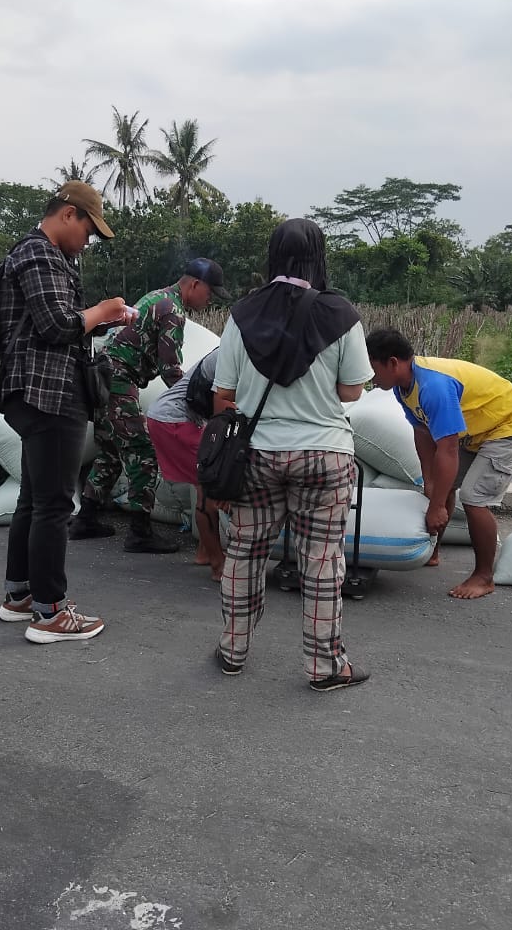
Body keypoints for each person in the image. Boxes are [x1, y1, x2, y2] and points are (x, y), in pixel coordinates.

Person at [212, 219, 372, 692]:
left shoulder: (241, 314)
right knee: (322, 562)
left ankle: (232, 650)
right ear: (319, 255)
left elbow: (225, 391)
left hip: (257, 455)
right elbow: (352, 391)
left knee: (244, 553)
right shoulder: (341, 314)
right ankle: (325, 667)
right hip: (325, 455)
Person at [0, 182, 135, 644]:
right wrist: (103, 309)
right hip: (48, 392)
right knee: (54, 505)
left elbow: (53, 320)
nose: (89, 241)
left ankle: (19, 596)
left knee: (34, 500)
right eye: (89, 230)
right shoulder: (39, 254)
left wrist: (98, 317)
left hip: (37, 392)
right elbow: (57, 326)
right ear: (69, 215)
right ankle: (50, 613)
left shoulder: (41, 254)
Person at [365, 328, 512, 600]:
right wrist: (429, 480)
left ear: (392, 363)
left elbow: (447, 450)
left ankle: (484, 577)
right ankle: (433, 552)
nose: (370, 377)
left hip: (510, 427)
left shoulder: (433, 387)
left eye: (372, 368)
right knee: (441, 486)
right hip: (477, 431)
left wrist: (436, 507)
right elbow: (422, 433)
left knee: (473, 498)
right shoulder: (403, 387)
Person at [69, 257, 222, 553]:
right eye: (209, 292)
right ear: (194, 284)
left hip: (104, 380)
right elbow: (171, 371)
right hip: (117, 382)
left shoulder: (157, 297)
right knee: (143, 452)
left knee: (111, 451)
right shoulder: (172, 310)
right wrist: (194, 406)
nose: (209, 299)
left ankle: (85, 518)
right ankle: (139, 532)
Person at [145, 347, 226, 580]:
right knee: (208, 487)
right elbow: (225, 409)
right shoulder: (235, 352)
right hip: (175, 420)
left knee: (202, 483)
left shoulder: (231, 346)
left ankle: (205, 551)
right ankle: (217, 564)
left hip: (170, 417)